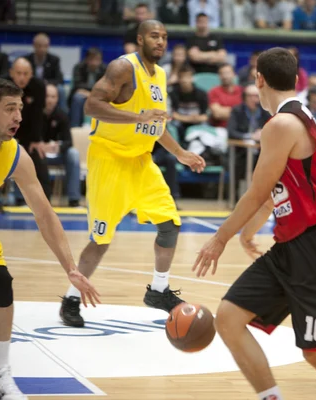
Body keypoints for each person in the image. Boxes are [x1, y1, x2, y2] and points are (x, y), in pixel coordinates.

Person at [193, 47, 316, 400]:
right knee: (229, 317)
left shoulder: (281, 124)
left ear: (258, 78)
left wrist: (219, 239)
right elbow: (273, 192)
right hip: (292, 245)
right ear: (295, 80)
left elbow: (257, 190)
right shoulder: (300, 116)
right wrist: (248, 233)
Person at [59, 20, 206, 328]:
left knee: (170, 225)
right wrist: (137, 116)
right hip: (109, 160)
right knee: (101, 239)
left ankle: (158, 290)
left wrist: (180, 153)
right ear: (140, 39)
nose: (161, 41)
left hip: (141, 161)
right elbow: (91, 105)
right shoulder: (122, 68)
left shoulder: (162, 74)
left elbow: (155, 123)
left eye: (165, 36)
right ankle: (71, 298)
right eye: (155, 35)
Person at [0, 78, 100, 399]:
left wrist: (70, 267)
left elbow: (45, 214)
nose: (18, 117)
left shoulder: (14, 156)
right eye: (9, 109)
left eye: (20, 109)